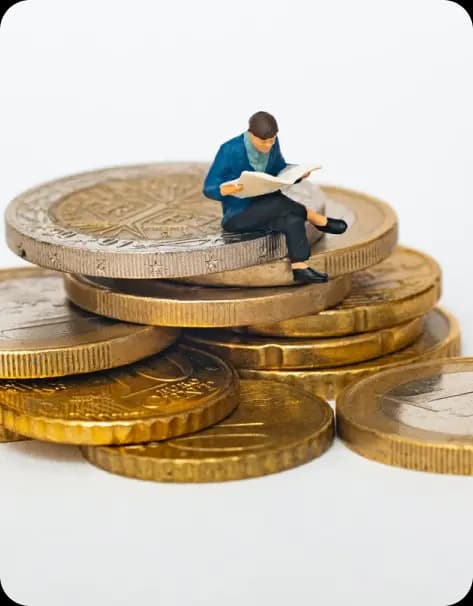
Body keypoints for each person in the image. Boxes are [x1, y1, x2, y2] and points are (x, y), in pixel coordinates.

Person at [202, 111, 348, 283]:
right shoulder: (230, 149)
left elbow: (279, 169)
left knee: (292, 218)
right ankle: (318, 220)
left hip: (268, 208)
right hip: (239, 215)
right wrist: (225, 189)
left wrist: (298, 174)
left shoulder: (273, 144)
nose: (268, 145)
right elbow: (209, 186)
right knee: (278, 202)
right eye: (263, 141)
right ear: (250, 135)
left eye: (272, 140)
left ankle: (299, 267)